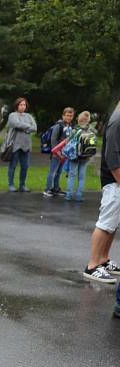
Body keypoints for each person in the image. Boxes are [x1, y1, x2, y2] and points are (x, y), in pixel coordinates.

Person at [83, 101, 120, 285]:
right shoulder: (117, 120)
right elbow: (112, 156)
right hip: (114, 180)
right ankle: (92, 265)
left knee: (112, 224)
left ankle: (103, 259)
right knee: (105, 223)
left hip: (117, 181)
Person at [62, 111, 97, 202]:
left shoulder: (75, 130)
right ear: (88, 120)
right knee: (82, 177)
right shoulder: (91, 130)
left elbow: (67, 141)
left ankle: (69, 195)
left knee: (72, 175)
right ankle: (79, 196)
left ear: (79, 119)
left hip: (75, 155)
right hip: (86, 156)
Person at [6, 97, 37, 192]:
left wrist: (24, 127)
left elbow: (35, 128)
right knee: (13, 165)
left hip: (26, 145)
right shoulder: (12, 115)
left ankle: (22, 185)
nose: (23, 106)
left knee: (25, 166)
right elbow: (16, 124)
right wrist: (28, 127)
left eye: (24, 105)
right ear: (17, 105)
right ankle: (11, 185)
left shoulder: (29, 116)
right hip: (15, 145)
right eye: (21, 104)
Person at [43, 107, 74, 197]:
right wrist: (57, 153)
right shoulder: (58, 126)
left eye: (71, 116)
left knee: (59, 172)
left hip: (65, 153)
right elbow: (53, 140)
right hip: (56, 154)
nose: (69, 117)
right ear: (63, 116)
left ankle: (56, 189)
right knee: (52, 172)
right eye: (67, 115)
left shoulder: (70, 126)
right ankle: (47, 189)